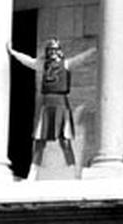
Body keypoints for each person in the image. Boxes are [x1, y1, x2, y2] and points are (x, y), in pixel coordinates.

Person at [7, 38, 96, 180]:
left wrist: (95, 48)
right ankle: (33, 172)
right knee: (40, 141)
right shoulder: (43, 65)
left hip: (61, 103)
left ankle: (74, 172)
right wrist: (13, 53)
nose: (53, 53)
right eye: (50, 50)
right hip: (47, 104)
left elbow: (81, 59)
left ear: (59, 51)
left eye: (55, 50)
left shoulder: (65, 64)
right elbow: (29, 61)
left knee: (65, 140)